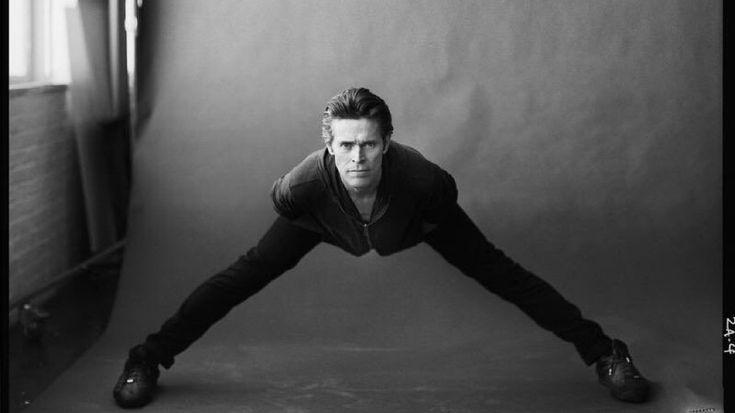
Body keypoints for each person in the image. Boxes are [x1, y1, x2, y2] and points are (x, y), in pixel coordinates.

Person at [113, 87, 651, 408]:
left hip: (412, 222)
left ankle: (608, 354)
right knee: (238, 279)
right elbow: (281, 203)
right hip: (326, 222)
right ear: (329, 144)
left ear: (386, 142)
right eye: (345, 144)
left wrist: (401, 229)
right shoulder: (303, 187)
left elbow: (444, 203)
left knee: (506, 276)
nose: (357, 157)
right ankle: (146, 361)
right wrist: (335, 221)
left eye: (369, 144)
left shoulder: (423, 181)